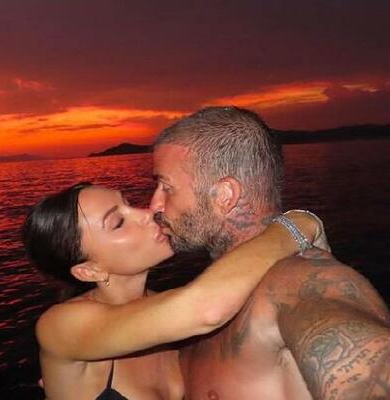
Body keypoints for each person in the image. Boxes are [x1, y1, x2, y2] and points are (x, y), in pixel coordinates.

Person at [150, 106, 390, 400]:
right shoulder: (204, 305)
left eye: (166, 187)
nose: (154, 205)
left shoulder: (298, 281)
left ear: (225, 196)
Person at [22, 181, 324, 400]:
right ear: (90, 271)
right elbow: (205, 309)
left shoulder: (170, 314)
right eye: (118, 222)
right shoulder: (59, 327)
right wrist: (295, 227)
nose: (146, 213)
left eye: (129, 202)